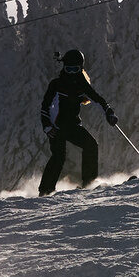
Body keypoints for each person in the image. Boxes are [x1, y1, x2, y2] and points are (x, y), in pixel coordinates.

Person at [38, 49, 117, 196]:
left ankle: (89, 183)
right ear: (64, 68)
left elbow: (97, 100)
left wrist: (109, 112)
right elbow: (45, 108)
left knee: (91, 145)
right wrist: (47, 127)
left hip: (73, 126)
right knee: (58, 156)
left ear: (81, 68)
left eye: (75, 69)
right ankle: (45, 190)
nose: (72, 73)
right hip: (56, 128)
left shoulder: (82, 85)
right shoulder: (56, 84)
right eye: (69, 69)